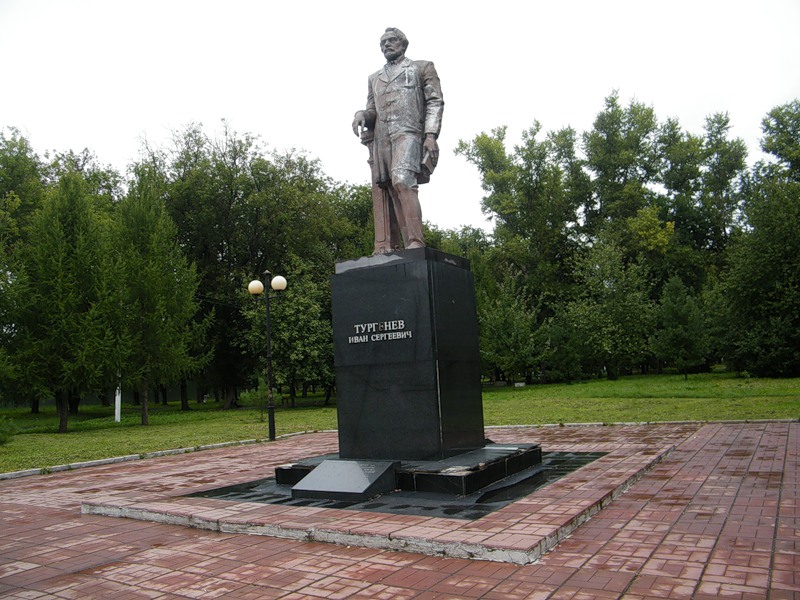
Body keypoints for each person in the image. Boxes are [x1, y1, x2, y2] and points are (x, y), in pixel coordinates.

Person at [352, 27, 444, 252]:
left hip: (409, 132)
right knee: (393, 187)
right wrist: (361, 115)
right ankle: (404, 245)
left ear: (403, 45)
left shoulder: (421, 67)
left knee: (402, 179)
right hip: (384, 140)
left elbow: (435, 101)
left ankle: (416, 241)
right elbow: (372, 110)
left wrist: (430, 135)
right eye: (383, 43)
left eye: (392, 41)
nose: (386, 45)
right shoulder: (374, 78)